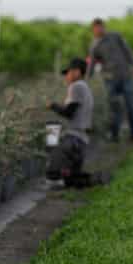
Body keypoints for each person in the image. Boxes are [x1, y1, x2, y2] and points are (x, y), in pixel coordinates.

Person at [46, 58, 102, 189]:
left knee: (52, 174)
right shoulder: (85, 88)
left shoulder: (76, 86)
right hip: (81, 141)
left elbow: (68, 112)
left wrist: (52, 105)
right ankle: (94, 179)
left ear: (77, 72)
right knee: (70, 179)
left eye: (68, 73)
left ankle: (87, 179)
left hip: (73, 140)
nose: (66, 76)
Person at [87, 18, 133, 143]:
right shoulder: (94, 46)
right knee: (114, 108)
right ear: (93, 30)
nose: (99, 30)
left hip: (125, 76)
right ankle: (115, 135)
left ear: (104, 27)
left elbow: (128, 51)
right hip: (110, 80)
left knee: (131, 106)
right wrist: (86, 80)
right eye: (96, 28)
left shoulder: (115, 37)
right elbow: (92, 64)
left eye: (101, 27)